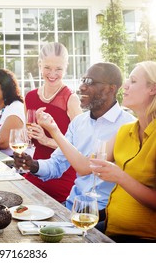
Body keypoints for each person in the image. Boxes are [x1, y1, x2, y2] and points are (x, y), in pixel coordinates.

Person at [35, 61, 156, 242]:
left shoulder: (128, 126)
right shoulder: (126, 131)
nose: (125, 86)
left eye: (133, 81)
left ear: (152, 89)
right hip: (110, 227)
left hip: (140, 238)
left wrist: (119, 176)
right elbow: (85, 167)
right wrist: (53, 130)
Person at [13, 62, 135, 212]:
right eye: (83, 80)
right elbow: (56, 164)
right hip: (72, 207)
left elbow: (87, 168)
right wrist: (32, 165)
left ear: (112, 88)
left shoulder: (129, 126)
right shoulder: (79, 123)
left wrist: (53, 131)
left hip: (104, 214)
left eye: (90, 82)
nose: (82, 87)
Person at [24, 42, 83, 203]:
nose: (52, 74)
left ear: (66, 67)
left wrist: (46, 140)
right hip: (34, 172)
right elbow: (26, 139)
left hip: (62, 179)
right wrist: (27, 136)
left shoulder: (71, 100)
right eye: (47, 68)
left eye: (59, 69)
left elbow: (81, 149)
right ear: (39, 65)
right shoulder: (29, 97)